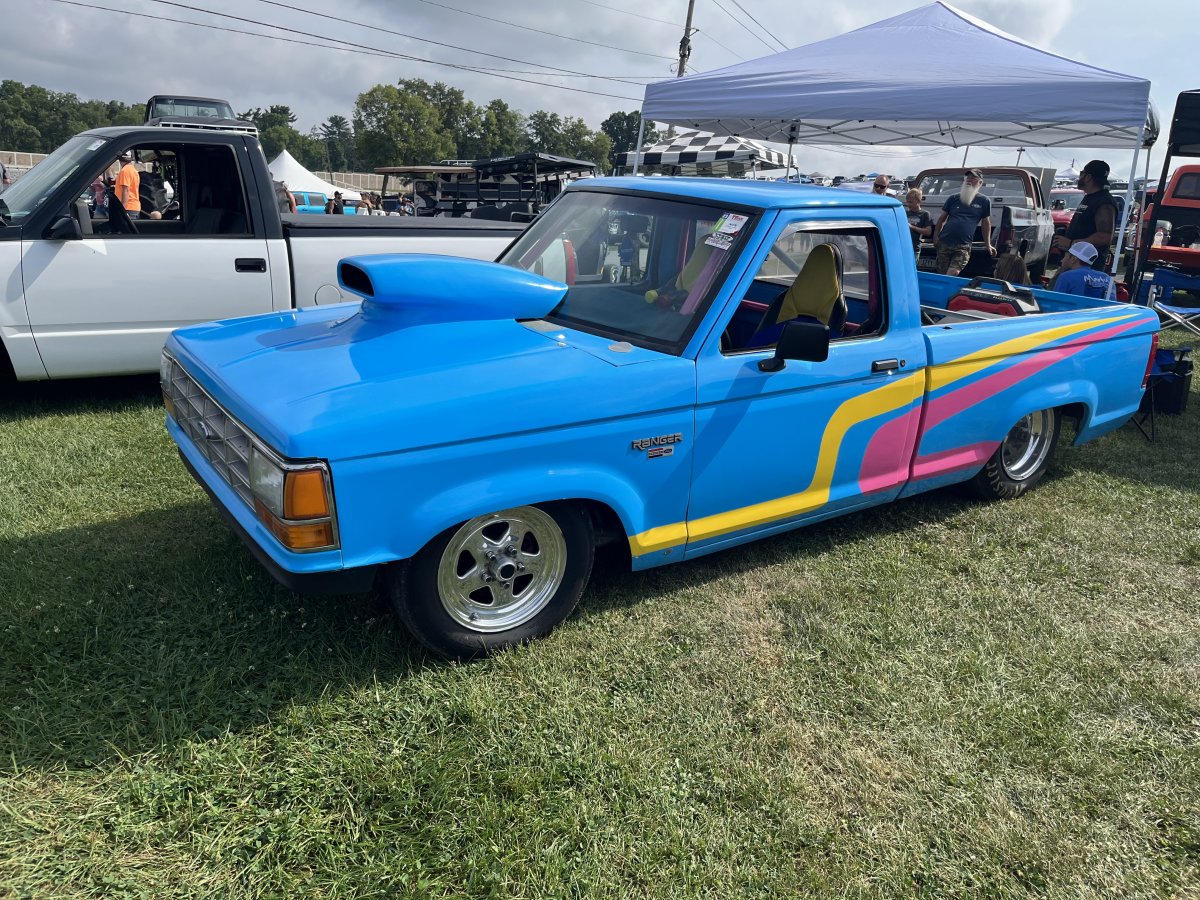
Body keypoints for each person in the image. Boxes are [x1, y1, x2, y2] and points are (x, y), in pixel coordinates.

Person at [1051, 159, 1116, 269]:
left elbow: (1104, 237)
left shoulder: (1104, 202)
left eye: (1081, 173)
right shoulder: (1090, 197)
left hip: (1087, 266)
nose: (1079, 177)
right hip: (1074, 262)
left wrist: (1071, 243)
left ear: (1088, 177)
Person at [933, 168, 995, 276]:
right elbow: (941, 219)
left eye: (973, 178)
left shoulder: (984, 201)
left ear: (980, 182)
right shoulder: (953, 198)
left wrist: (988, 244)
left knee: (953, 272)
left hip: (963, 245)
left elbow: (986, 224)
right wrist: (935, 237)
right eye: (968, 178)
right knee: (941, 274)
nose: (969, 180)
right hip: (945, 242)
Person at [113, 151, 141, 218]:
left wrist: (122, 208)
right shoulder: (133, 170)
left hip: (128, 207)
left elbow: (126, 190)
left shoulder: (125, 171)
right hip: (133, 207)